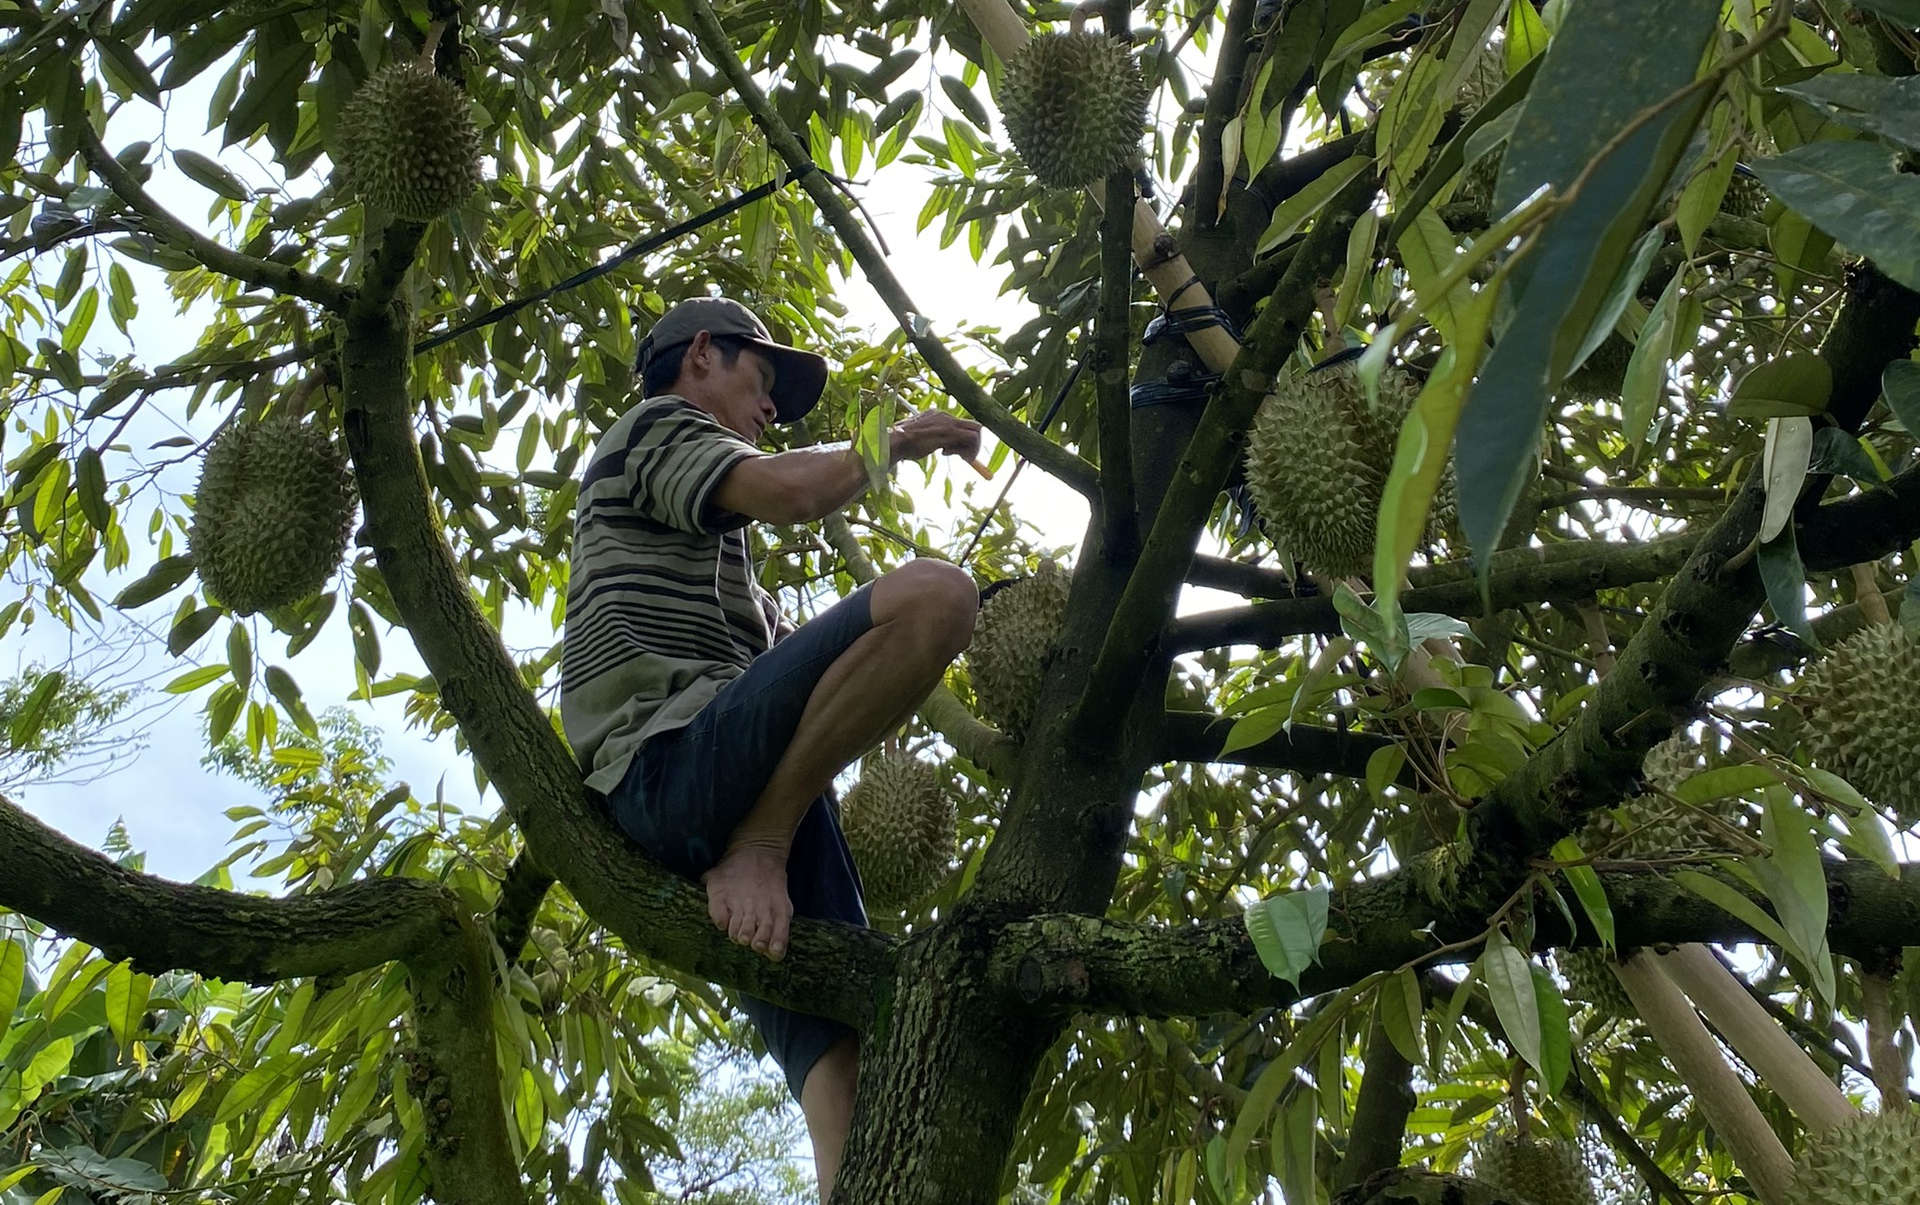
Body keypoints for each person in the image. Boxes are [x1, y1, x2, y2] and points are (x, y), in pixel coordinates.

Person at [559, 295, 983, 1199]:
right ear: (701, 354)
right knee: (939, 595)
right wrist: (895, 440)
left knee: (840, 1050)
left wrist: (875, 688)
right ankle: (758, 841)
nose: (770, 412)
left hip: (716, 785)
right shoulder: (651, 429)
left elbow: (799, 675)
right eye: (763, 383)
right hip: (668, 765)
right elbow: (793, 491)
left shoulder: (721, 572)